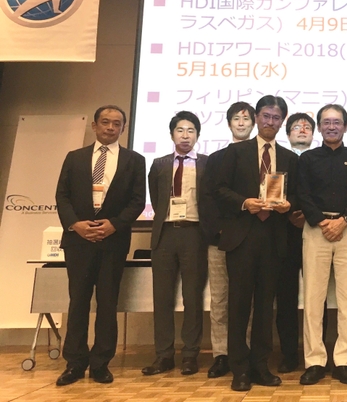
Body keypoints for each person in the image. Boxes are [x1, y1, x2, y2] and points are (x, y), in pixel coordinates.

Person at [55, 105, 146, 386]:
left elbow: (137, 201)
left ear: (123, 128)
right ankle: (74, 363)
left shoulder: (134, 160)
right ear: (94, 125)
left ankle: (101, 363)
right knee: (78, 302)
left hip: (113, 242)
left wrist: (114, 224)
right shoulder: (75, 157)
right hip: (78, 241)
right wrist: (76, 224)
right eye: (105, 122)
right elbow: (62, 196)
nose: (110, 127)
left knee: (108, 303)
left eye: (116, 123)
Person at [215, 95, 298, 391]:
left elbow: (297, 195)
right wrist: (244, 202)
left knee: (265, 306)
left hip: (273, 238)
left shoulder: (289, 158)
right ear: (256, 117)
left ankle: (261, 366)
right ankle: (239, 368)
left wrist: (289, 205)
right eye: (265, 116)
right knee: (239, 305)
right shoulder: (235, 152)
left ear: (282, 121)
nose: (269, 122)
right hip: (242, 236)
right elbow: (219, 189)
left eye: (276, 117)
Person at [297, 104, 347, 385]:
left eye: (336, 122)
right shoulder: (308, 159)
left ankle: (346, 361)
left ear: (345, 126)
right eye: (326, 122)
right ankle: (315, 361)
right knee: (313, 299)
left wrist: (344, 220)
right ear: (318, 127)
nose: (331, 126)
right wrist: (322, 221)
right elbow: (302, 193)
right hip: (316, 230)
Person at [142, 111, 208, 377]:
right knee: (162, 298)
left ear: (198, 135)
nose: (185, 135)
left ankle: (190, 355)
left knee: (192, 297)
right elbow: (156, 198)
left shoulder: (206, 164)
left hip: (194, 233)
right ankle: (164, 355)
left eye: (191, 130)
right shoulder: (159, 164)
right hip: (165, 234)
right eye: (180, 130)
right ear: (172, 134)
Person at [199, 102, 256, 379]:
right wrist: (218, 231)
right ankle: (221, 354)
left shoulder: (261, 157)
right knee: (220, 299)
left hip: (251, 239)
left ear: (254, 123)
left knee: (247, 300)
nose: (241, 123)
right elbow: (207, 197)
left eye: (246, 119)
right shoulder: (216, 158)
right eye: (236, 118)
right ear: (229, 123)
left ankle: (244, 352)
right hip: (221, 239)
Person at [275, 112, 316, 373]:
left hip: (317, 231)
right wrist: (291, 213)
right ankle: (289, 353)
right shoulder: (278, 158)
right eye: (296, 127)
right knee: (286, 297)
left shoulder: (320, 158)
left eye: (307, 127)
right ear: (287, 132)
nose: (302, 130)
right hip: (285, 234)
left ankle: (318, 354)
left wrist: (309, 215)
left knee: (317, 297)